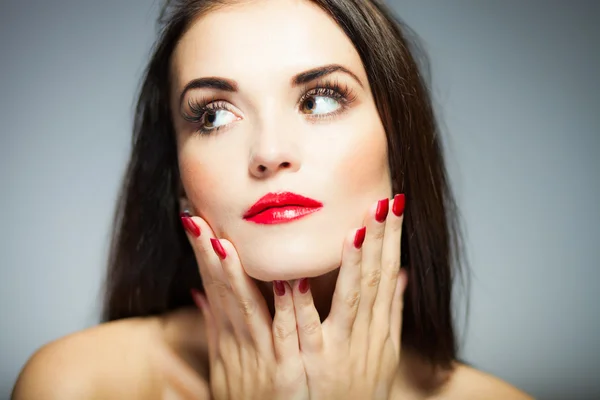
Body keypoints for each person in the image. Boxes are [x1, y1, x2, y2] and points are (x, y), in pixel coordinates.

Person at [12, 0, 533, 398]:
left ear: (397, 143)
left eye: (321, 99)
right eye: (213, 115)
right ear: (176, 176)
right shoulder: (80, 385)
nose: (269, 152)